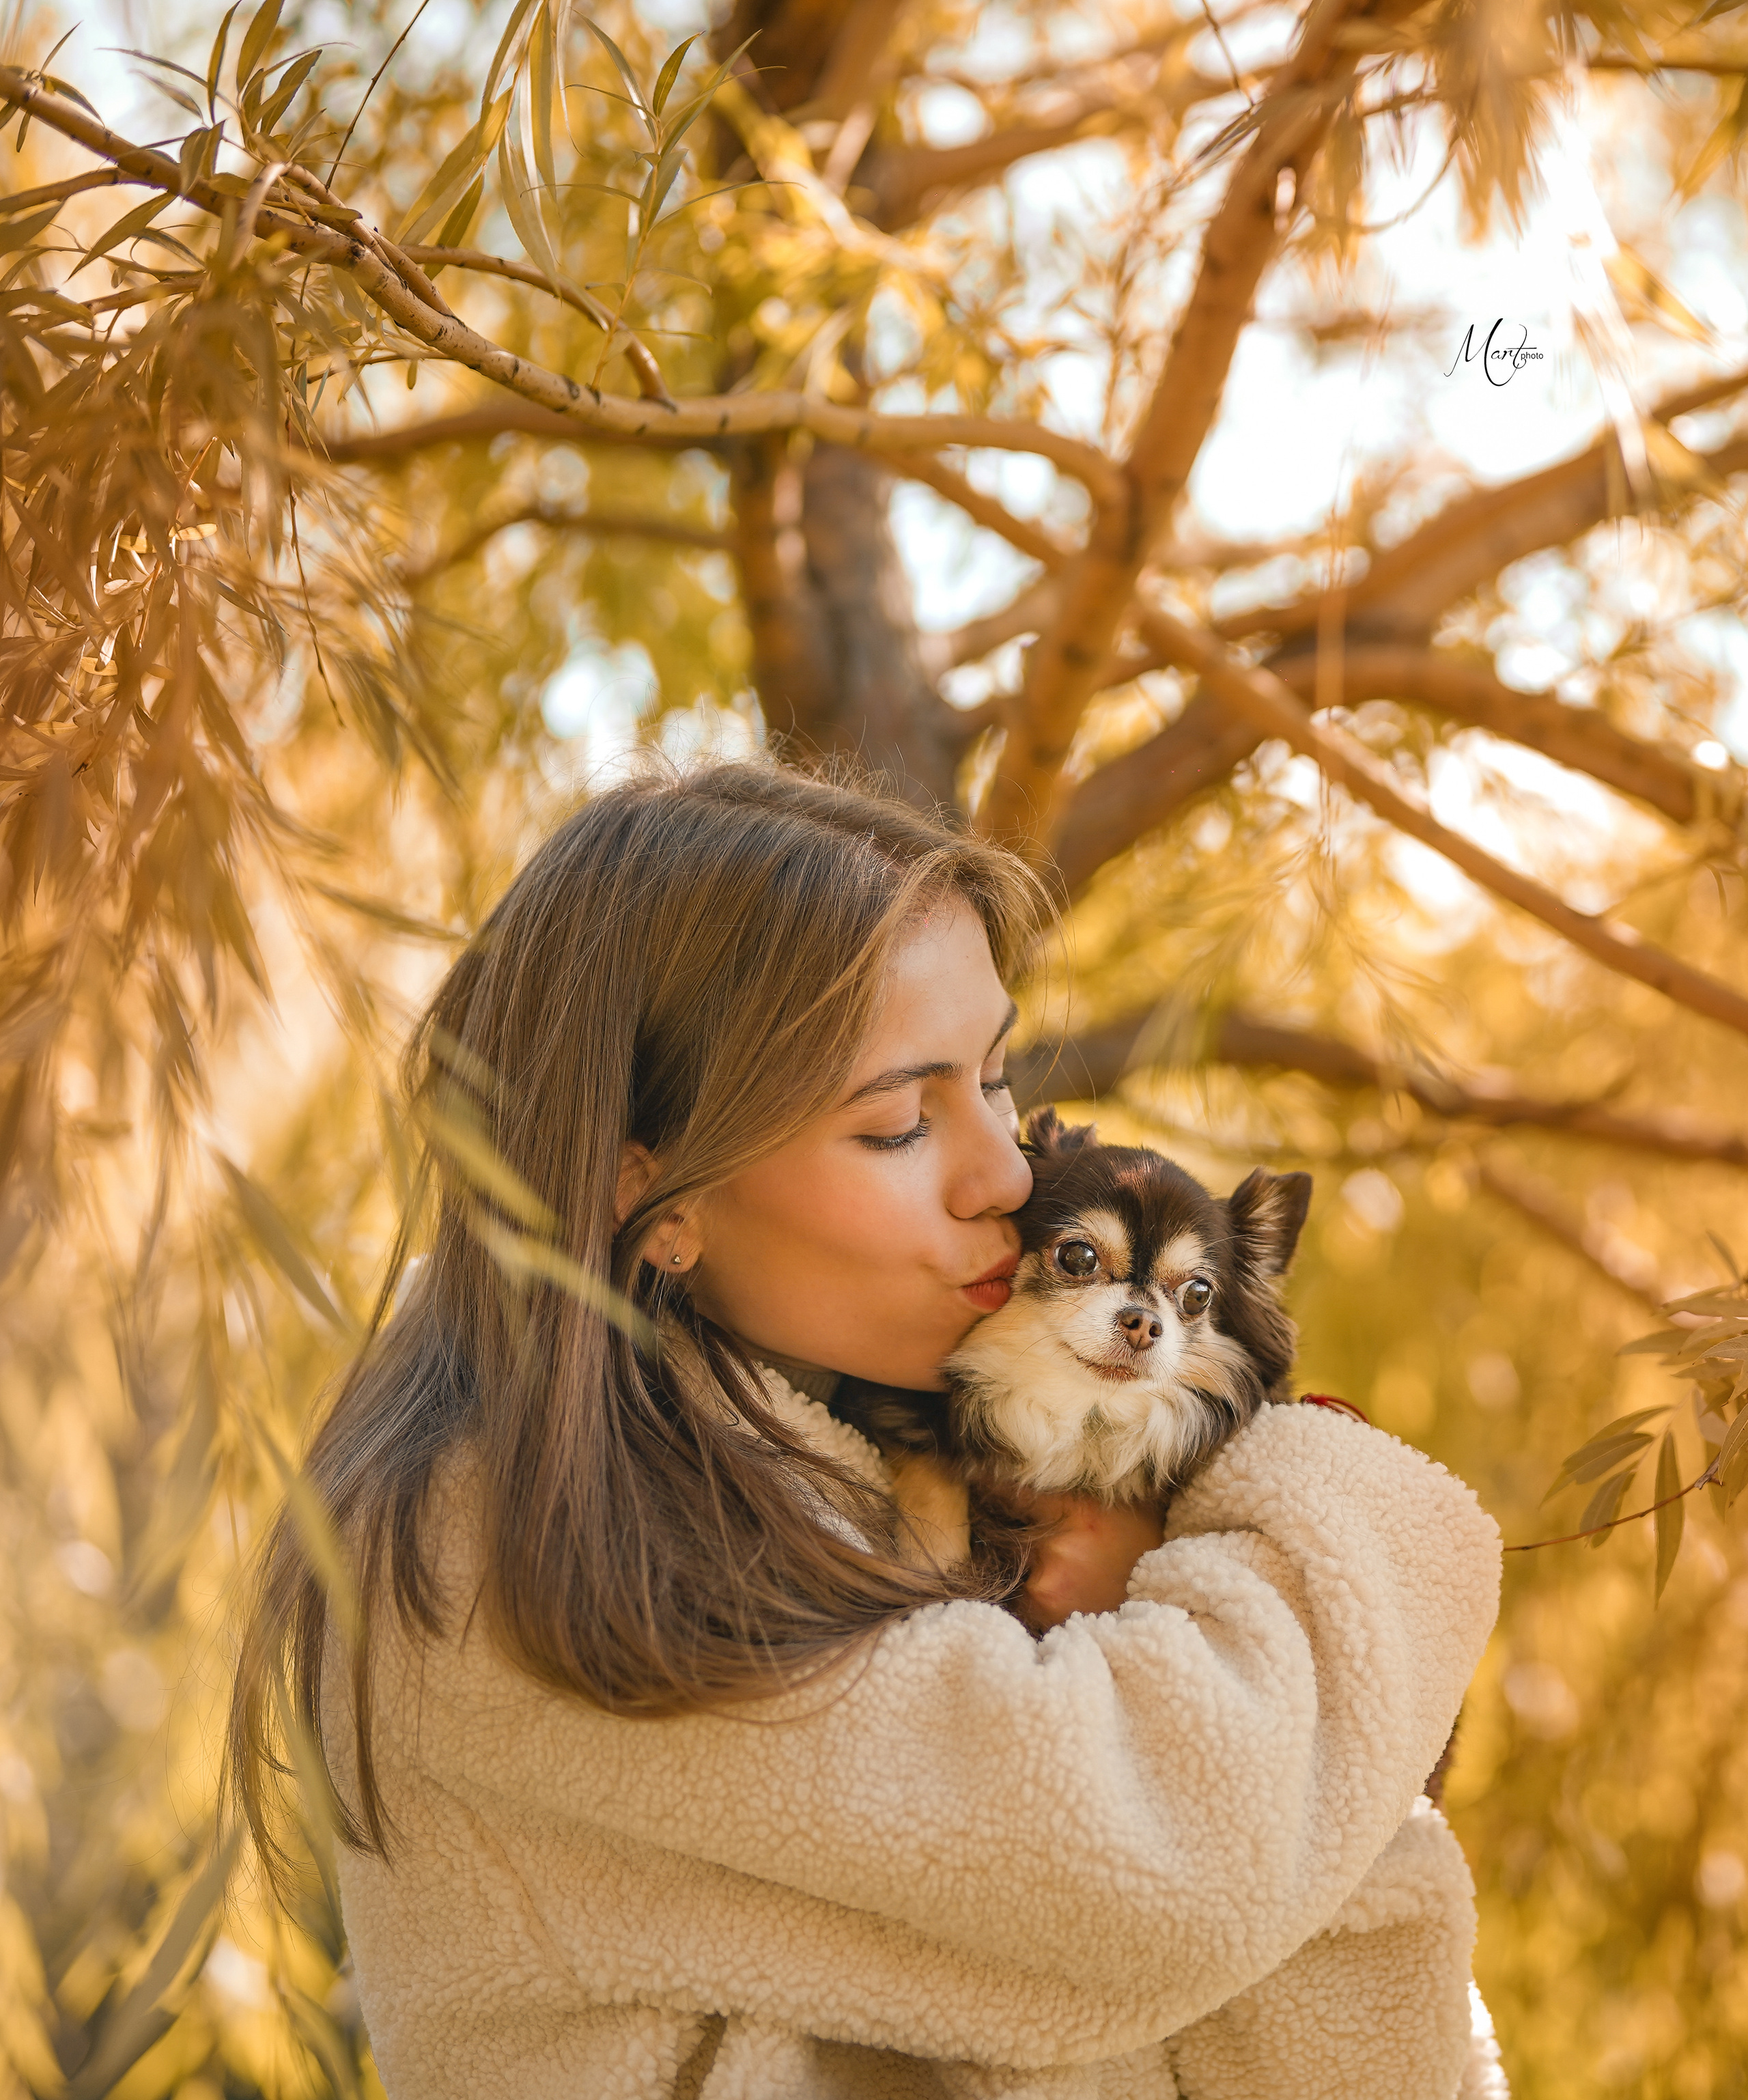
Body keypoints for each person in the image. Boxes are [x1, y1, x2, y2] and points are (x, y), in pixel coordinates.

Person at [229, 761, 1507, 2100]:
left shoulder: (843, 1444)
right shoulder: (508, 1535)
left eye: (998, 1079)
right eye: (902, 1121)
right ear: (650, 1193)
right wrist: (1327, 1501)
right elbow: (1167, 1857)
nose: (1006, 1173)